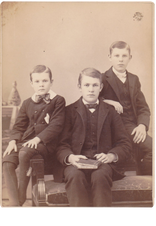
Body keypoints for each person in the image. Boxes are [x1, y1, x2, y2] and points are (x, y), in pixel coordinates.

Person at [56, 68, 131, 207]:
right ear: (79, 87)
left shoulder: (111, 112)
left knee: (100, 176)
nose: (91, 89)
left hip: (102, 164)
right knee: (75, 176)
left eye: (95, 85)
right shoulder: (69, 111)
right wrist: (71, 157)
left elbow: (124, 143)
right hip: (76, 163)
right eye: (87, 85)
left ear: (101, 87)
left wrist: (111, 156)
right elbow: (61, 144)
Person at [3, 65, 65, 206]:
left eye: (44, 81)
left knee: (25, 152)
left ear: (51, 81)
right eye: (37, 81)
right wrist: (13, 140)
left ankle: (21, 197)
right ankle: (15, 205)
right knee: (7, 160)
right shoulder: (26, 103)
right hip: (25, 142)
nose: (41, 84)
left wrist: (38, 139)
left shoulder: (58, 101)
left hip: (45, 144)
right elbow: (19, 125)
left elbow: (56, 125)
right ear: (31, 83)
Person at [100, 41, 152, 175]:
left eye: (124, 56)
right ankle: (144, 176)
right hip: (117, 126)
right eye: (116, 55)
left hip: (134, 126)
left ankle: (144, 176)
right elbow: (91, 99)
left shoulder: (134, 79)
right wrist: (109, 101)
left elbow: (143, 108)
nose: (120, 59)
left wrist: (142, 125)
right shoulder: (102, 78)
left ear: (130, 57)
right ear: (109, 57)